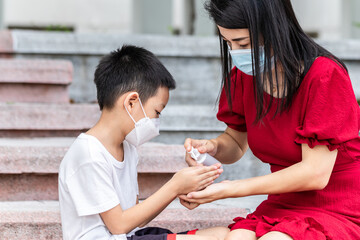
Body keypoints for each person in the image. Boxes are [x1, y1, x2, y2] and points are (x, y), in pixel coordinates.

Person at [180, 0, 360, 239]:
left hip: (338, 203)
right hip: (285, 200)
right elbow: (235, 143)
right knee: (238, 237)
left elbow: (315, 173)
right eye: (228, 43)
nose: (236, 53)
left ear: (275, 28)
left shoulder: (324, 76)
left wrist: (230, 189)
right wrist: (213, 147)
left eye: (243, 43)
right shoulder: (244, 77)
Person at [58, 45, 229, 240]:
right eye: (157, 112)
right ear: (131, 102)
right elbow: (119, 225)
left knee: (222, 234)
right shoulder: (88, 154)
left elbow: (135, 218)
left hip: (131, 236)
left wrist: (180, 189)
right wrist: (174, 186)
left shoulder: (128, 148)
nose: (157, 121)